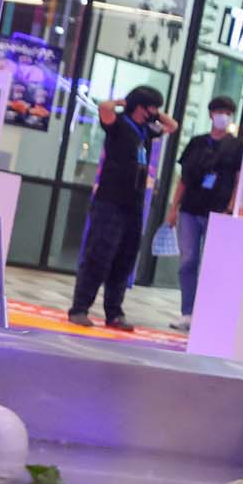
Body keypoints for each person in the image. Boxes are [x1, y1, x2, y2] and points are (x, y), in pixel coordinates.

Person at [67, 84, 175, 330]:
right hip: (110, 200)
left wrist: (155, 114)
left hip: (134, 203)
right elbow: (104, 107)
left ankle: (114, 313)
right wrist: (124, 102)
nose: (155, 112)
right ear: (139, 106)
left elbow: (172, 126)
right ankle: (80, 308)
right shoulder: (117, 124)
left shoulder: (146, 130)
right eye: (152, 106)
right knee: (99, 255)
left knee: (124, 259)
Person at [166, 95, 239, 329]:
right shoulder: (197, 143)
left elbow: (239, 179)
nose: (222, 117)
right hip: (190, 208)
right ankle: (187, 311)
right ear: (211, 114)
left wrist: (230, 207)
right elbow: (183, 178)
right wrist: (173, 207)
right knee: (188, 260)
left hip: (217, 210)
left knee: (212, 263)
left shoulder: (236, 146)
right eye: (219, 112)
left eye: (227, 113)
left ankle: (207, 313)